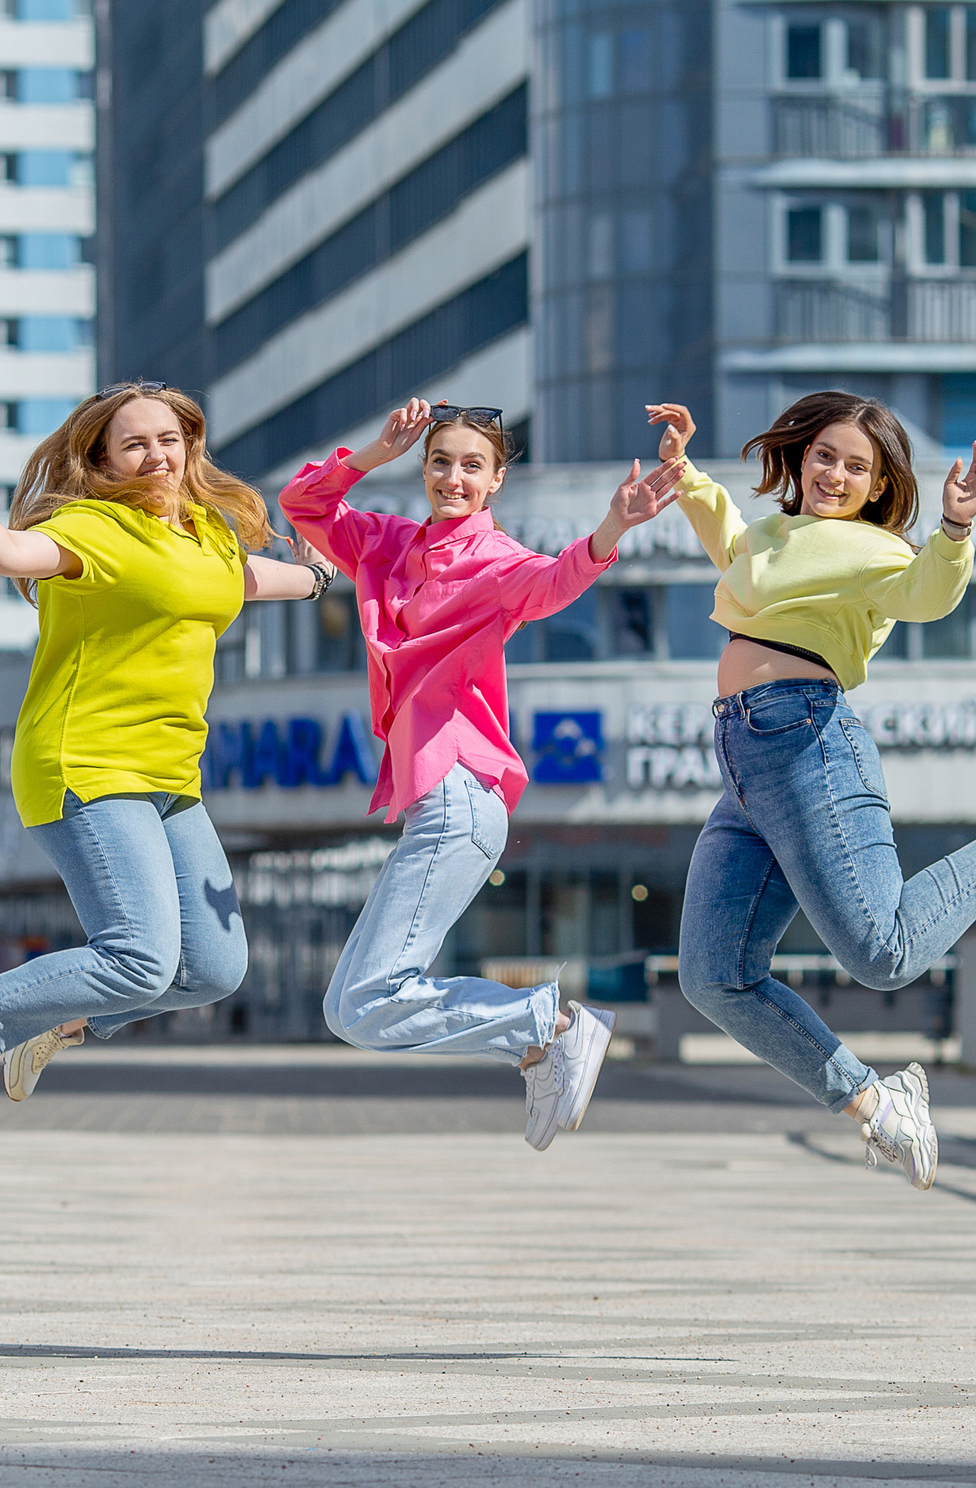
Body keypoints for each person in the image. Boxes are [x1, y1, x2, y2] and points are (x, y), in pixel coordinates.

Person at [649, 395, 976, 1191]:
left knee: (885, 953)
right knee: (711, 974)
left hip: (809, 745)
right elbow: (730, 540)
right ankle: (876, 1101)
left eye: (856, 467)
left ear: (878, 486)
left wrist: (956, 526)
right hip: (745, 761)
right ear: (801, 457)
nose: (835, 474)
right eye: (824, 455)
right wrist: (685, 472)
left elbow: (927, 594)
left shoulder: (872, 549)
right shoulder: (772, 536)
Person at [0, 382, 329, 1117]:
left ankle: (55, 1019)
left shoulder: (207, 536)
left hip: (171, 778)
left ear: (190, 445)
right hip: (87, 763)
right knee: (140, 956)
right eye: (134, 444)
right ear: (104, 460)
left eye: (168, 439)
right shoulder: (92, 528)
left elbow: (243, 580)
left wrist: (320, 576)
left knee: (215, 968)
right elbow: (16, 550)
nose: (157, 456)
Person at [281, 400, 680, 1149]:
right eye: (440, 461)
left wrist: (612, 528)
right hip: (439, 804)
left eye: (473, 466)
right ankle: (536, 1048)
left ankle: (547, 1028)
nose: (453, 478)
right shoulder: (385, 543)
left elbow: (553, 582)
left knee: (366, 1001)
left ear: (496, 480)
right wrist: (372, 453)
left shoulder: (494, 561)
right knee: (349, 1010)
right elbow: (303, 503)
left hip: (459, 793)